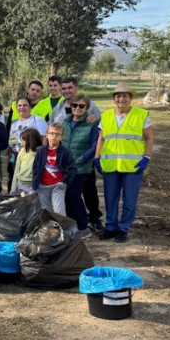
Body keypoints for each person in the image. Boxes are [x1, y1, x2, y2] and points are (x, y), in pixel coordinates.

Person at [94, 83, 154, 243]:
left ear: (130, 98)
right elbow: (101, 138)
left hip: (133, 166)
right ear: (114, 99)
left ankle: (123, 228)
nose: (121, 99)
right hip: (111, 165)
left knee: (129, 199)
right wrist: (97, 157)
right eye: (118, 96)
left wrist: (146, 157)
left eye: (125, 96)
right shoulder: (106, 116)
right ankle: (110, 227)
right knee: (110, 198)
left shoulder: (141, 115)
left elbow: (149, 138)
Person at [51, 77, 103, 230]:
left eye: (70, 88)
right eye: (64, 88)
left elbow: (101, 123)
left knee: (88, 190)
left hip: (83, 161)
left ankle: (93, 218)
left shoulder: (89, 105)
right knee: (68, 193)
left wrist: (97, 117)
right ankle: (72, 219)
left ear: (76, 88)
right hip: (66, 163)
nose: (66, 91)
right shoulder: (59, 110)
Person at [62, 94, 99, 239]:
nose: (77, 108)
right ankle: (72, 225)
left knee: (73, 193)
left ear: (87, 108)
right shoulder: (66, 122)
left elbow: (95, 146)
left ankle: (83, 226)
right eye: (75, 105)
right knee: (66, 195)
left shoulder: (91, 125)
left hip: (80, 167)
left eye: (81, 106)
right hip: (65, 166)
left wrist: (82, 159)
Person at [31, 122, 76, 216]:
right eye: (51, 133)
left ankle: (62, 225)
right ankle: (48, 226)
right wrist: (35, 182)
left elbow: (72, 168)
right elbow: (35, 167)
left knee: (59, 211)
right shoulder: (41, 151)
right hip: (43, 186)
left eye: (57, 134)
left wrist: (66, 182)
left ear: (62, 137)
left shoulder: (65, 152)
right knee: (45, 212)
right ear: (47, 135)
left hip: (58, 185)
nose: (54, 136)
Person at [8, 97, 48, 184]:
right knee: (18, 182)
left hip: (32, 157)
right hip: (17, 158)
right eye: (19, 105)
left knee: (30, 183)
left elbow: (44, 139)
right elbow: (11, 143)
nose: (22, 107)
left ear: (30, 107)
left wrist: (43, 156)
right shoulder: (14, 124)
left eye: (25, 105)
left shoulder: (37, 120)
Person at [10, 128, 44, 194]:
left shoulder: (41, 152)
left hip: (35, 185)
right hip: (21, 184)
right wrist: (13, 189)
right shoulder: (23, 151)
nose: (21, 143)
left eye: (23, 140)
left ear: (31, 140)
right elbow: (17, 169)